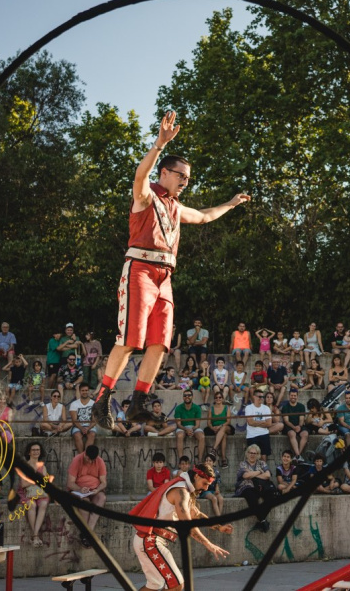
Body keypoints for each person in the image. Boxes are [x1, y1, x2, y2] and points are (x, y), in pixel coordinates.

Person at [92, 112, 250, 429]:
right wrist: (159, 144)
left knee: (160, 342)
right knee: (130, 339)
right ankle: (102, 400)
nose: (185, 181)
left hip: (165, 278)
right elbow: (139, 176)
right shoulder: (145, 196)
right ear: (164, 172)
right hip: (140, 270)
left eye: (188, 178)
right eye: (181, 176)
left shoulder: (176, 207)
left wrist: (230, 204)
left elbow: (205, 216)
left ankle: (138, 402)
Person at [131, 462, 231, 589]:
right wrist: (208, 544)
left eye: (208, 485)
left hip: (149, 540)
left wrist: (219, 527)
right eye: (205, 483)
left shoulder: (184, 489)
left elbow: (196, 514)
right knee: (177, 584)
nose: (206, 488)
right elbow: (187, 525)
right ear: (196, 477)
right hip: (150, 541)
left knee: (155, 584)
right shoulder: (180, 491)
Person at [67, 445, 107, 548]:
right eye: (87, 458)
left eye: (91, 460)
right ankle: (88, 534)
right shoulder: (77, 460)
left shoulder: (100, 461)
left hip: (94, 490)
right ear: (85, 453)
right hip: (78, 491)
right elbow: (70, 483)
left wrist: (97, 489)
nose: (89, 461)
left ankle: (87, 533)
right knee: (85, 503)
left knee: (102, 498)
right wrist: (80, 489)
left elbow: (103, 482)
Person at [15, 442, 50, 547]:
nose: (36, 452)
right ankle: (35, 536)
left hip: (39, 493)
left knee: (43, 504)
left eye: (38, 450)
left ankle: (35, 535)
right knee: (32, 505)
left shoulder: (42, 467)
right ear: (29, 452)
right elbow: (23, 484)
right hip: (26, 493)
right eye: (34, 450)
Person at [236, 444, 277, 531]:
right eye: (250, 453)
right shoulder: (243, 464)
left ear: (258, 455)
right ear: (247, 453)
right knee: (252, 498)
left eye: (255, 453)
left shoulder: (262, 463)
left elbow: (268, 475)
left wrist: (253, 475)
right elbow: (246, 476)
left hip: (261, 487)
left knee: (271, 497)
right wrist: (259, 471)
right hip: (246, 486)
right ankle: (263, 520)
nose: (252, 455)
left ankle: (261, 522)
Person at [174, 389, 205, 461]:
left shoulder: (197, 408)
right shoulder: (178, 408)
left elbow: (197, 425)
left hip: (194, 427)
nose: (187, 397)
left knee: (202, 437)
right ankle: (181, 460)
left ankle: (200, 461)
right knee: (179, 436)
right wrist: (186, 429)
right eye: (185, 395)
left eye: (189, 395)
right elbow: (178, 424)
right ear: (183, 397)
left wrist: (191, 429)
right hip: (182, 427)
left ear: (192, 397)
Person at [244, 389, 273, 461]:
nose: (262, 398)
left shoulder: (266, 408)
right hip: (252, 435)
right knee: (252, 458)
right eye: (260, 396)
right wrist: (263, 421)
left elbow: (269, 423)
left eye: (262, 397)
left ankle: (263, 472)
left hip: (264, 434)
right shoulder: (249, 408)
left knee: (264, 457)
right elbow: (250, 423)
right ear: (254, 397)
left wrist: (255, 422)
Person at [280, 388, 308, 461]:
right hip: (289, 426)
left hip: (299, 425)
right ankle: (298, 455)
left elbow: (302, 419)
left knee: (305, 434)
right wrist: (294, 427)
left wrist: (299, 426)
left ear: (297, 396)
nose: (293, 397)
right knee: (292, 434)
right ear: (289, 396)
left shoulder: (301, 406)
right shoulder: (285, 407)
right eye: (292, 395)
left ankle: (297, 455)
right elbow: (286, 421)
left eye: (295, 395)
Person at [69, 385, 96, 454]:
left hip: (90, 425)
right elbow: (74, 420)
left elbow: (95, 420)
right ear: (80, 391)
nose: (85, 392)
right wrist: (81, 428)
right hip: (77, 426)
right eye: (83, 390)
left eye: (86, 390)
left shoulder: (94, 404)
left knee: (92, 434)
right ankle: (82, 456)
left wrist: (88, 428)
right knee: (77, 435)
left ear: (88, 391)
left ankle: (87, 455)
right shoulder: (74, 404)